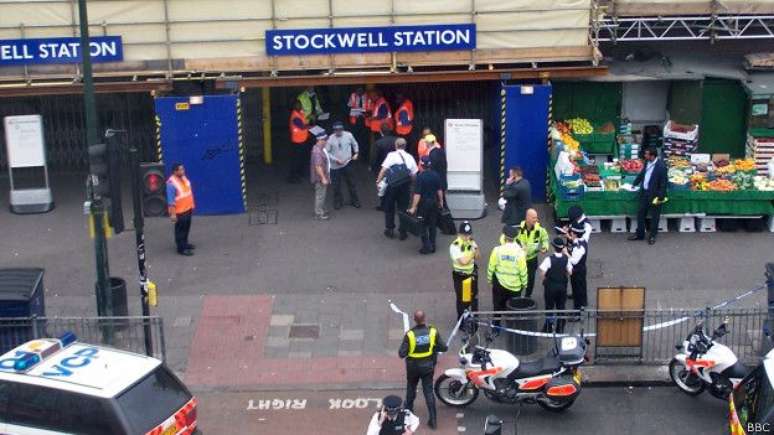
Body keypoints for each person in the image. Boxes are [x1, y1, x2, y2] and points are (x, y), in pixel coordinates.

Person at [398, 310, 447, 430]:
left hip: (413, 367)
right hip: (428, 367)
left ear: (414, 320)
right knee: (428, 392)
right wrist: (433, 347)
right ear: (424, 318)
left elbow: (401, 353)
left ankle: (408, 414)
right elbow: (444, 347)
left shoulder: (410, 335)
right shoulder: (432, 332)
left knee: (411, 388)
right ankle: (433, 420)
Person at [376, 138, 418, 240]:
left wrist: (378, 181)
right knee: (403, 208)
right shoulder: (410, 157)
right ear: (405, 146)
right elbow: (414, 174)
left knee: (389, 207)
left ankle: (389, 229)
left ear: (396, 145)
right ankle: (403, 231)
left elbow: (384, 170)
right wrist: (413, 184)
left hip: (392, 185)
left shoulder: (391, 155)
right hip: (404, 186)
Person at [629, 147, 668, 245]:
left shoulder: (661, 167)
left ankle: (652, 236)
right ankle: (640, 234)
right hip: (644, 193)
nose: (645, 156)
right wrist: (635, 183)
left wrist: (660, 197)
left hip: (655, 195)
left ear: (652, 155)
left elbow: (663, 183)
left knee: (655, 217)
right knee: (640, 213)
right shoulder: (647, 163)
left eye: (647, 154)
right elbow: (642, 174)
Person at [487, 225, 528, 316]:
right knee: (513, 309)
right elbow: (523, 271)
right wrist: (525, 284)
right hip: (515, 286)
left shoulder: (497, 250)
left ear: (504, 236)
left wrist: (490, 279)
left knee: (497, 307)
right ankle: (511, 326)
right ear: (516, 237)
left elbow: (491, 267)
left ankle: (496, 327)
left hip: (499, 285)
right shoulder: (520, 253)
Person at [408, 156, 443, 254]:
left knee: (422, 224)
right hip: (434, 203)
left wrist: (413, 207)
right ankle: (433, 245)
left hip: (423, 205)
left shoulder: (420, 177)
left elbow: (417, 194)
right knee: (432, 225)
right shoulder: (436, 175)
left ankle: (426, 246)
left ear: (421, 165)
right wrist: (441, 202)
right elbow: (439, 190)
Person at [539, 237, 573, 333]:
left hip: (550, 287)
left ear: (553, 247)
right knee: (561, 306)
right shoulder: (566, 259)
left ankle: (548, 327)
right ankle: (560, 327)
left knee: (549, 307)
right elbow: (570, 272)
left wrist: (546, 279)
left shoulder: (549, 259)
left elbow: (542, 273)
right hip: (562, 287)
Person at [326, 121, 360, 209]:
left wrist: (356, 153)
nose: (338, 131)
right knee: (336, 185)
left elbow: (355, 144)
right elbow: (326, 152)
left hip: (347, 163)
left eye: (340, 129)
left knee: (351, 183)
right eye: (336, 130)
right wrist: (335, 159)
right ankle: (338, 202)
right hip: (335, 166)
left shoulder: (349, 135)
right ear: (334, 130)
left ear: (343, 129)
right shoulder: (330, 139)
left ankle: (355, 201)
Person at [516, 208, 549, 299]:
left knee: (530, 279)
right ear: (527, 218)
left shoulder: (539, 229)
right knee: (518, 278)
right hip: (520, 259)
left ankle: (527, 296)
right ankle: (517, 296)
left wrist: (545, 247)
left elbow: (545, 239)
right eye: (534, 218)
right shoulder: (519, 228)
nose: (536, 220)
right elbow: (512, 240)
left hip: (532, 259)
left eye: (536, 217)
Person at [450, 221, 480, 318]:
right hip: (461, 277)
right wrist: (472, 253)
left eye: (469, 234)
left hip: (471, 274)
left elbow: (478, 257)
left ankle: (474, 319)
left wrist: (476, 249)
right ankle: (462, 321)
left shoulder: (471, 242)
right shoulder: (455, 246)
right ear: (459, 234)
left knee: (473, 298)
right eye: (465, 235)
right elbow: (463, 261)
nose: (467, 237)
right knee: (462, 300)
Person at [166, 163, 195, 256]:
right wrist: (173, 214)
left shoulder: (183, 178)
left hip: (187, 208)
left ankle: (185, 243)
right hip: (179, 211)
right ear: (175, 171)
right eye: (181, 170)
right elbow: (170, 201)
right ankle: (181, 248)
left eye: (183, 169)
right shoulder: (171, 183)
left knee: (186, 227)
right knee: (180, 230)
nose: (183, 171)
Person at [566, 223, 588, 318]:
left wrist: (566, 253)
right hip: (580, 270)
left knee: (578, 290)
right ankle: (582, 304)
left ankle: (578, 314)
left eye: (572, 232)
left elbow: (574, 261)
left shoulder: (579, 247)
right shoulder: (580, 241)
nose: (571, 233)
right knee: (579, 289)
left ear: (575, 234)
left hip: (578, 271)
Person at [310, 131, 331, 220]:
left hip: (322, 177)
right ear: (320, 140)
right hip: (320, 178)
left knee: (321, 194)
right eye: (325, 140)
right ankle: (319, 214)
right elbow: (318, 166)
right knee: (320, 195)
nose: (327, 141)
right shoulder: (318, 152)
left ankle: (321, 209)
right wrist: (323, 178)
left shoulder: (318, 148)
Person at [287, 101, 310, 183]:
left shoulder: (299, 113)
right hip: (297, 142)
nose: (300, 106)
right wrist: (310, 126)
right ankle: (293, 177)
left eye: (300, 105)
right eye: (298, 105)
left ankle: (298, 175)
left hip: (302, 140)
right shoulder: (295, 117)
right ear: (295, 107)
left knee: (300, 159)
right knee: (296, 160)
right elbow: (302, 126)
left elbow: (305, 119)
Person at [347, 87, 370, 159]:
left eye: (360, 91)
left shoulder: (367, 96)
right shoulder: (353, 95)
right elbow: (349, 106)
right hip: (355, 120)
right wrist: (353, 111)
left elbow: (370, 108)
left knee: (364, 138)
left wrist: (365, 113)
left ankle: (364, 155)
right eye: (357, 91)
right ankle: (355, 153)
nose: (358, 92)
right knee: (355, 137)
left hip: (365, 120)